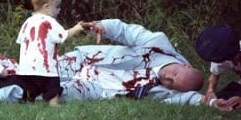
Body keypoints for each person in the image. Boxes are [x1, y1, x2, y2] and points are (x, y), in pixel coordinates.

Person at [58, 18, 206, 104]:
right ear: (185, 65)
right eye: (174, 73)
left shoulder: (167, 92)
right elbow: (124, 30)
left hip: (94, 87)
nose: (167, 78)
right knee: (43, 70)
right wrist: (103, 26)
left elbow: (191, 98)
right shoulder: (158, 44)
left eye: (172, 83)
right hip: (87, 61)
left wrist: (210, 101)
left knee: (51, 92)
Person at [17, 0, 87, 102]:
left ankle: (29, 102)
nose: (59, 9)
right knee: (52, 88)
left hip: (25, 69)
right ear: (47, 7)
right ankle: (53, 105)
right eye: (57, 6)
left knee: (29, 90)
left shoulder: (28, 22)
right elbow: (63, 36)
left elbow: (20, 41)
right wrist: (76, 28)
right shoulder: (49, 21)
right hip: (45, 68)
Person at [194, 23, 241, 106]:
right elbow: (214, 75)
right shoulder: (223, 55)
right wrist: (210, 91)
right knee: (223, 97)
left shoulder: (230, 51)